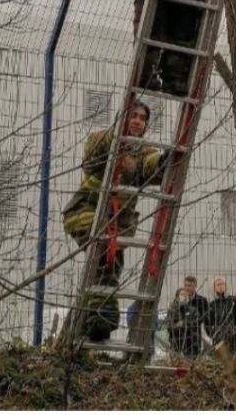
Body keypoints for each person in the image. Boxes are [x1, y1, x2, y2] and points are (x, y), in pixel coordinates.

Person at [61, 102, 167, 343]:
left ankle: (92, 322)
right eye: (133, 116)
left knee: (109, 264)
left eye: (143, 118)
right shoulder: (100, 139)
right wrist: (116, 141)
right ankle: (101, 317)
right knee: (104, 254)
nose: (138, 121)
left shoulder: (143, 151)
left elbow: (148, 166)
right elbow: (92, 158)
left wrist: (165, 161)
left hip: (116, 223)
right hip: (86, 212)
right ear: (122, 119)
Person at [168, 275, 208, 358]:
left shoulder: (201, 300)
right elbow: (170, 321)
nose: (187, 288)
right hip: (177, 338)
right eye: (185, 285)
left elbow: (203, 318)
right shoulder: (176, 303)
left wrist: (185, 323)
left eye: (190, 286)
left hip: (193, 338)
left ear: (195, 286)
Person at [203, 277, 236, 350]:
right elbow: (207, 322)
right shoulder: (212, 304)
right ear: (214, 288)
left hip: (234, 335)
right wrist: (213, 334)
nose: (221, 286)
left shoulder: (233, 300)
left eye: (222, 284)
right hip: (219, 337)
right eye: (218, 285)